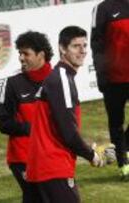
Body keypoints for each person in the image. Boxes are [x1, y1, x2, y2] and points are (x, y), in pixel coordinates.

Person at [26, 26, 105, 203]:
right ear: (62, 48)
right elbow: (68, 132)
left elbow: (60, 126)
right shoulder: (61, 79)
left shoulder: (60, 77)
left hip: (39, 168)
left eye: (84, 45)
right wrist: (92, 156)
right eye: (76, 46)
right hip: (53, 168)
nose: (82, 50)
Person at [0, 31, 53, 203]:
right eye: (19, 53)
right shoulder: (12, 83)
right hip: (23, 157)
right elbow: (4, 123)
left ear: (41, 55)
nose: (21, 58)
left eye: (26, 53)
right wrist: (32, 128)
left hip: (53, 155)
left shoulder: (57, 80)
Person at [91, 0, 129, 178]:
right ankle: (124, 165)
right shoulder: (102, 9)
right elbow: (96, 45)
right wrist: (101, 75)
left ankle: (125, 148)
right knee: (116, 123)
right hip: (113, 80)